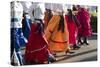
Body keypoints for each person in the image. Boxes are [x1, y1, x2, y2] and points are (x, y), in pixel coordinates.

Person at [11, 1, 27, 65]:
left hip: (16, 27)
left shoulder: (19, 5)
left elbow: (20, 17)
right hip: (14, 27)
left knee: (16, 46)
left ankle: (18, 62)